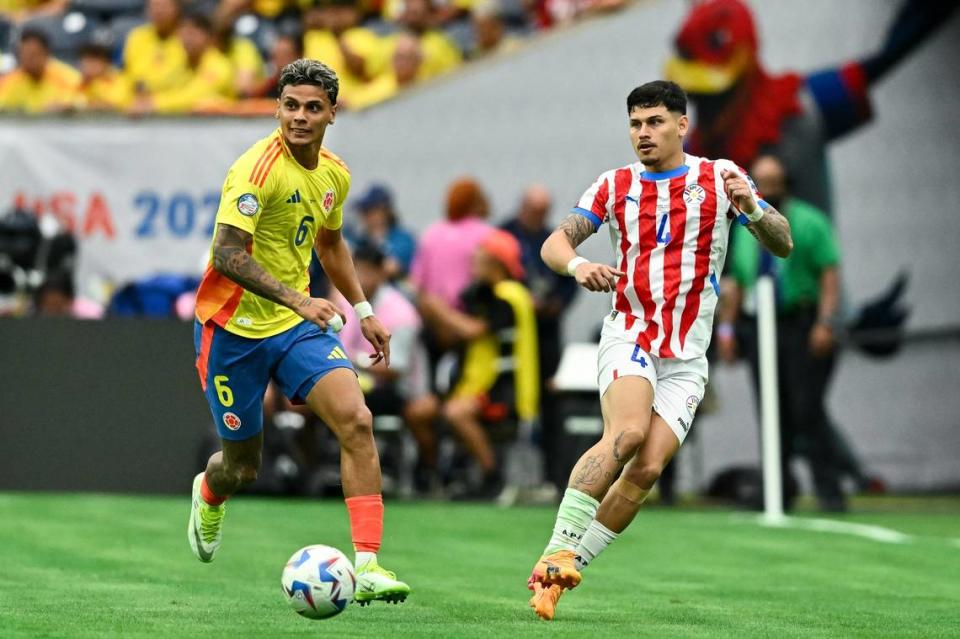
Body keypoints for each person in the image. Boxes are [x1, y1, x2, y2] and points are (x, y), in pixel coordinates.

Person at [525, 80, 793, 620]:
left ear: (681, 125)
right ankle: (557, 547)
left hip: (688, 356)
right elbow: (555, 243)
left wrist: (755, 211)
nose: (643, 134)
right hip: (632, 333)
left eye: (654, 122)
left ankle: (560, 570)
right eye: (635, 124)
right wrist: (579, 266)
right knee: (625, 434)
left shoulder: (718, 178)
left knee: (647, 470)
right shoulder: (614, 184)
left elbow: (783, 241)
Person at [189, 58, 410, 605]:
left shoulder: (333, 172)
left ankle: (370, 565)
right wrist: (298, 297)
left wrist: (363, 310)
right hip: (232, 331)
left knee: (357, 420)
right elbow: (226, 253)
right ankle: (210, 491)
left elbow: (331, 244)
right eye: (291, 106)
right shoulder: (255, 171)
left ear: (333, 112)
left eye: (313, 107)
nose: (300, 117)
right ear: (277, 108)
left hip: (295, 326)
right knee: (244, 466)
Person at [717, 154, 847, 511]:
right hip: (760, 326)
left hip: (801, 323)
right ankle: (778, 488)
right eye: (761, 181)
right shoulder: (743, 227)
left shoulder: (808, 221)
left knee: (806, 410)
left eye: (773, 181)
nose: (768, 188)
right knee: (770, 409)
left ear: (786, 182)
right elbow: (737, 282)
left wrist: (825, 321)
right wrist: (727, 328)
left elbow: (829, 273)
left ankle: (829, 489)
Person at [418, 229, 539, 498]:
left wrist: (439, 310)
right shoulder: (484, 294)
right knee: (422, 412)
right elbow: (456, 335)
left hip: (502, 390)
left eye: (479, 259)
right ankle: (438, 475)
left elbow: (474, 330)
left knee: (455, 413)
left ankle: (490, 475)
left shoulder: (508, 296)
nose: (472, 265)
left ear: (496, 263)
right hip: (473, 384)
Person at [333, 242, 439, 490]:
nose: (360, 278)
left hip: (397, 390)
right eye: (356, 270)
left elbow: (394, 369)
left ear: (382, 273)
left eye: (367, 271)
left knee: (347, 406)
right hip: (354, 382)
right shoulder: (341, 300)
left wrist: (352, 360)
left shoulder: (401, 311)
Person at [500, 184, 577, 488]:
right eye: (533, 211)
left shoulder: (553, 238)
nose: (537, 217)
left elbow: (570, 278)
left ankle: (553, 477)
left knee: (551, 403)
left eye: (542, 212)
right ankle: (507, 479)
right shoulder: (505, 236)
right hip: (513, 334)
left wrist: (556, 304)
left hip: (546, 333)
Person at [130, 12, 235, 114]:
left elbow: (197, 96)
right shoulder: (180, 61)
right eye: (183, 33)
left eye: (192, 34)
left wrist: (155, 103)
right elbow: (158, 85)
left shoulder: (219, 66)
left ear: (208, 37)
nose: (187, 40)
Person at [0, 28, 80, 113]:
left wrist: (66, 107)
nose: (27, 60)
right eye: (23, 55)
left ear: (46, 53)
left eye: (32, 55)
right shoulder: (11, 80)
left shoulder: (68, 78)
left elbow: (80, 103)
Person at [348, 184, 417, 279]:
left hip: (397, 290)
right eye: (363, 212)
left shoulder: (403, 239)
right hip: (367, 291)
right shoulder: (361, 240)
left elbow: (391, 268)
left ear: (384, 211)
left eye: (369, 211)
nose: (365, 216)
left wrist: (360, 257)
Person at [123, 0, 187, 95]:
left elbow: (179, 77)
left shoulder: (188, 38)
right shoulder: (137, 36)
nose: (159, 11)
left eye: (164, 6)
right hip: (138, 98)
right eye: (154, 6)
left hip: (176, 102)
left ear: (177, 9)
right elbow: (131, 74)